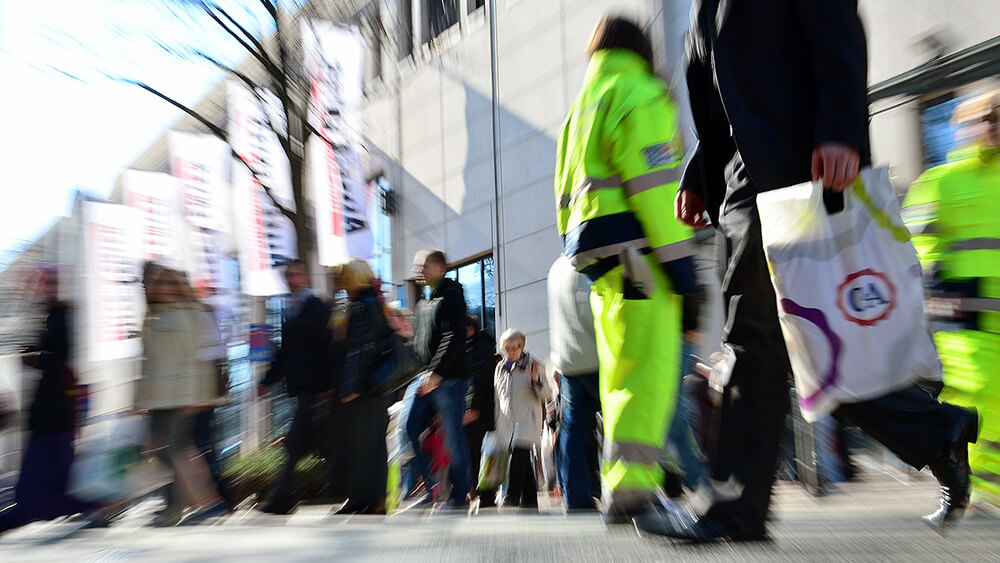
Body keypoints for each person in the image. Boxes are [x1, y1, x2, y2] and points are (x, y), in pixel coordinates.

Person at [653, 0, 978, 540]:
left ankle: (735, 505)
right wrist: (698, 171)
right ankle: (936, 434)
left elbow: (836, 26)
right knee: (800, 340)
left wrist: (840, 128)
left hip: (796, 169)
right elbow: (728, 89)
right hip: (744, 176)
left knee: (756, 339)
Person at [554, 15, 702, 522]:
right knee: (650, 374)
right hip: (643, 258)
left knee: (620, 376)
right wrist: (684, 273)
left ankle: (622, 488)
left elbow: (564, 202)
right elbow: (659, 193)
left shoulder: (580, 108)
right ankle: (637, 493)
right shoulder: (639, 93)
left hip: (602, 265)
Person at [902, 90, 1000, 506]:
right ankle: (983, 484)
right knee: (979, 388)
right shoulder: (940, 180)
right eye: (986, 118)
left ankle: (973, 479)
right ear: (965, 128)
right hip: (967, 310)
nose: (993, 125)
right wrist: (937, 281)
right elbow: (912, 242)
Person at [0, 265, 91, 533]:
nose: (33, 286)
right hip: (53, 404)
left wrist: (32, 357)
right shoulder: (51, 312)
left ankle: (31, 508)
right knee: (57, 461)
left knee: (48, 459)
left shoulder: (59, 313)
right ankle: (75, 505)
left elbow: (58, 356)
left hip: (54, 403)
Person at [136, 267, 225, 526]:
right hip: (159, 395)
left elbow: (197, 359)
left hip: (181, 394)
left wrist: (195, 397)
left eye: (169, 285)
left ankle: (202, 502)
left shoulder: (190, 314)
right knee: (161, 448)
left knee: (174, 449)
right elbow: (148, 362)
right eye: (159, 285)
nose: (164, 290)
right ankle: (198, 501)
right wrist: (142, 400)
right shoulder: (153, 315)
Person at [257, 259, 337, 515]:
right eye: (288, 275)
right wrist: (267, 382)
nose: (291, 279)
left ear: (304, 276)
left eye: (296, 274)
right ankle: (286, 499)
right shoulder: (291, 307)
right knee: (309, 444)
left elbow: (326, 346)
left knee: (297, 445)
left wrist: (326, 385)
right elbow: (286, 351)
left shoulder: (314, 304)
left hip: (315, 387)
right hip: (304, 387)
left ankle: (282, 500)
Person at [405, 249, 471, 510]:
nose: (417, 269)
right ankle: (434, 484)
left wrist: (437, 374)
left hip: (450, 380)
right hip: (426, 378)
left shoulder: (452, 296)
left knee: (454, 438)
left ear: (441, 267)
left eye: (423, 265)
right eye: (416, 265)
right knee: (410, 427)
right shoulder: (423, 303)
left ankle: (459, 493)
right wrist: (420, 376)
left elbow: (453, 338)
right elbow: (421, 344)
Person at [335, 259, 393, 515]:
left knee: (364, 446)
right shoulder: (375, 304)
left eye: (343, 278)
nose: (341, 283)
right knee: (373, 445)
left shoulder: (361, 306)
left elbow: (360, 349)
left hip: (365, 388)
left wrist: (353, 386)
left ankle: (364, 500)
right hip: (377, 387)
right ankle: (372, 500)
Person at [547, 255, 602, 511]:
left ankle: (576, 497)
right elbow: (590, 309)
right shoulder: (589, 257)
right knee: (618, 426)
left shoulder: (556, 268)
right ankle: (626, 492)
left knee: (573, 430)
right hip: (598, 357)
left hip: (568, 361)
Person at [494, 329, 551, 510]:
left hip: (527, 418)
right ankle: (529, 499)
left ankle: (512, 495)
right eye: (506, 348)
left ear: (521, 346)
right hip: (507, 420)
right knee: (522, 457)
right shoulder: (499, 368)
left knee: (520, 452)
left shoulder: (534, 365)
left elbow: (546, 393)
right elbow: (497, 397)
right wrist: (496, 421)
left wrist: (536, 380)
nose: (510, 352)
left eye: (514, 348)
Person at [463, 315, 499, 507]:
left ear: (469, 328)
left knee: (479, 453)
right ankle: (482, 493)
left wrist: (473, 408)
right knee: (479, 453)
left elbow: (479, 380)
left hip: (480, 412)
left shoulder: (479, 348)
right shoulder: (476, 346)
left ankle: (485, 494)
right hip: (482, 410)